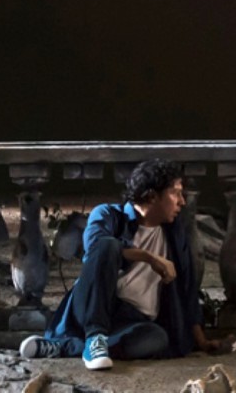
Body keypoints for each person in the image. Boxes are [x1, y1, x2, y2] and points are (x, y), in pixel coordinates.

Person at [26, 159, 221, 371]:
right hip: (95, 305)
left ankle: (66, 347)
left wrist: (201, 341)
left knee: (158, 339)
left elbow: (187, 288)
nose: (182, 202)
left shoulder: (174, 233)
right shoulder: (107, 214)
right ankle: (95, 336)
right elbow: (95, 249)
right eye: (175, 193)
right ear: (152, 196)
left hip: (134, 321)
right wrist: (150, 258)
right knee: (107, 245)